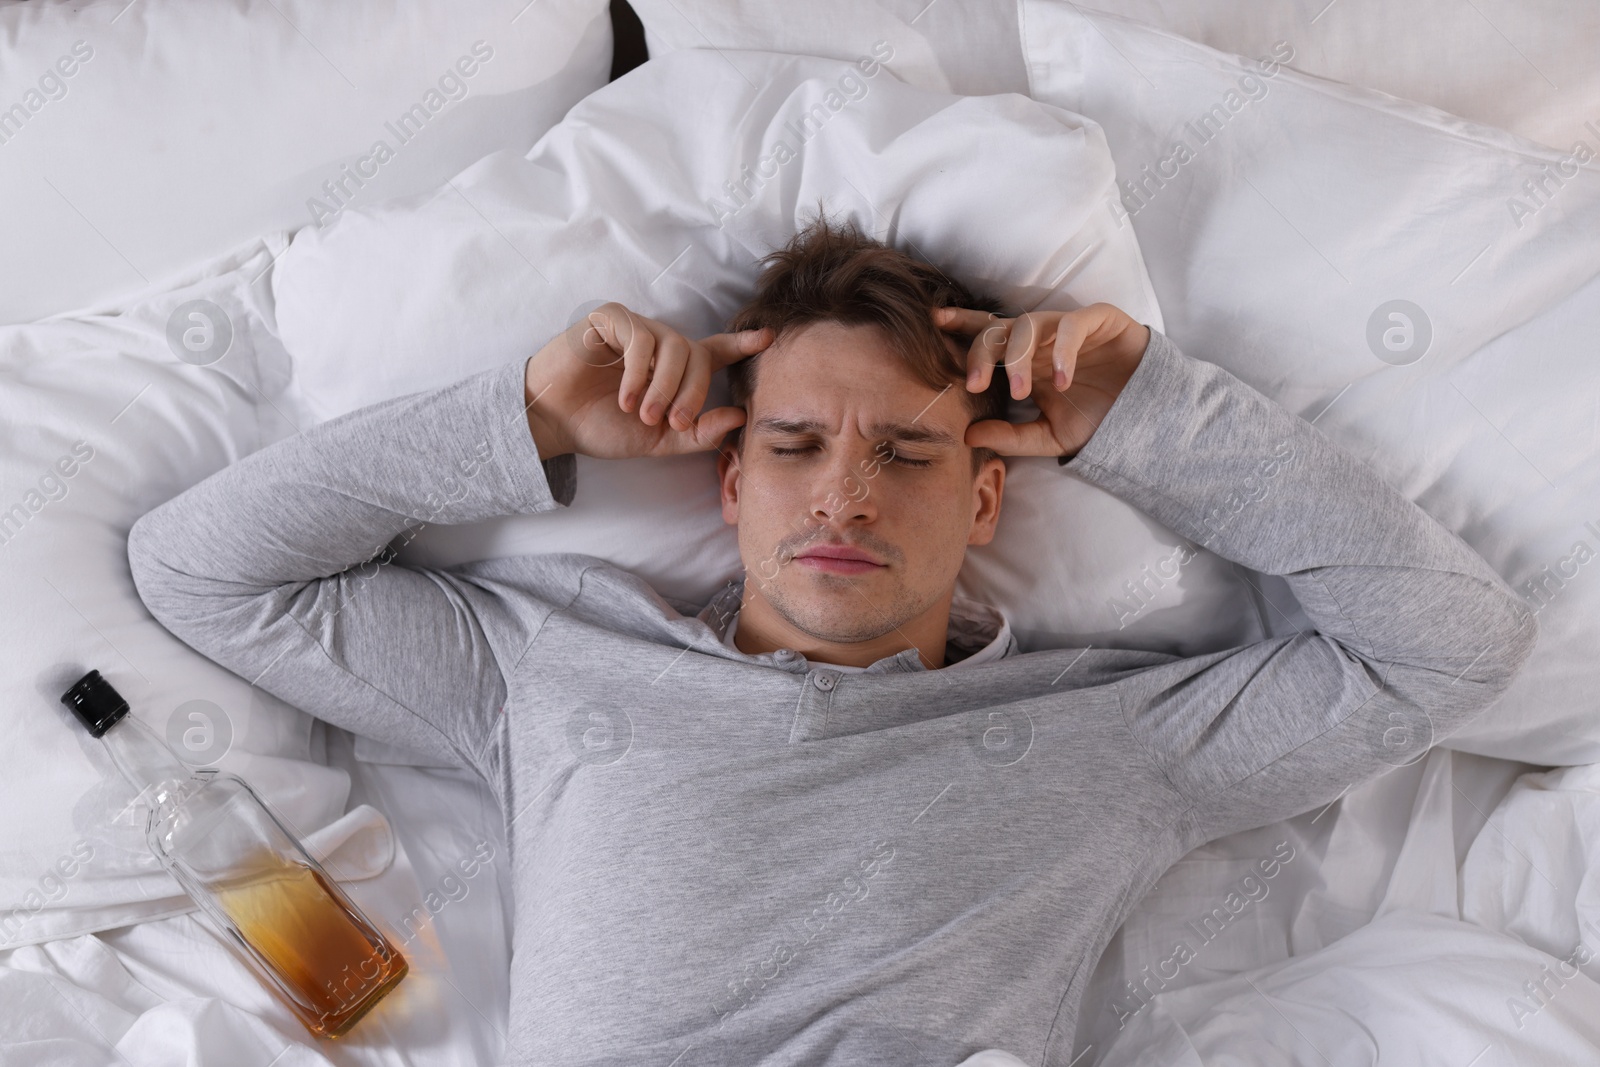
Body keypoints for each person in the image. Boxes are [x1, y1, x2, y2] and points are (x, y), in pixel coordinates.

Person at [127, 216, 1539, 1067]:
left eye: (909, 457)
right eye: (795, 445)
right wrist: (532, 417)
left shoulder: (1111, 741)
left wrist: (1150, 416)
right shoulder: (548, 674)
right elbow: (207, 571)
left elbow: (1445, 646)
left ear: (988, 495)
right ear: (730, 487)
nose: (846, 496)